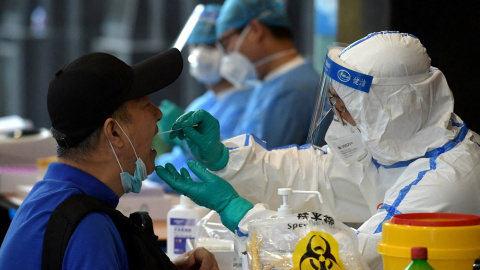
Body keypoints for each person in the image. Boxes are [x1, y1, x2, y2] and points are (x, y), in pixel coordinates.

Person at [155, 31, 480, 270]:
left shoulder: (447, 180)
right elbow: (314, 173)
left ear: (392, 108)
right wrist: (226, 161)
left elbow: (355, 256)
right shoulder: (391, 146)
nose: (337, 112)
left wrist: (244, 216)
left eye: (346, 103)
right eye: (335, 99)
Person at [0, 48, 219, 269]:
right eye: (145, 104)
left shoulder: (48, 198)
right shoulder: (88, 229)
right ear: (114, 132)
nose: (158, 113)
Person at [148, 4, 253, 189]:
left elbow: (228, 167)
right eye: (196, 45)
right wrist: (145, 172)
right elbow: (178, 161)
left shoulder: (248, 103)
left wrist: (185, 140)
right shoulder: (202, 103)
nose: (200, 55)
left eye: (211, 45)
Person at [215, 0, 320, 148]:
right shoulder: (271, 84)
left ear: (256, 30)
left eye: (226, 44)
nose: (226, 55)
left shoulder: (293, 91)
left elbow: (256, 166)